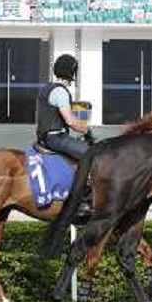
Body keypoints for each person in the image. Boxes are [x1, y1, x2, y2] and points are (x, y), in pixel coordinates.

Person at [36, 54, 94, 215]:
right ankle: (83, 200)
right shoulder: (60, 92)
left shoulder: (46, 88)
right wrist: (87, 130)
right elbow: (70, 121)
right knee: (91, 154)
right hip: (56, 138)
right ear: (71, 72)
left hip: (46, 137)